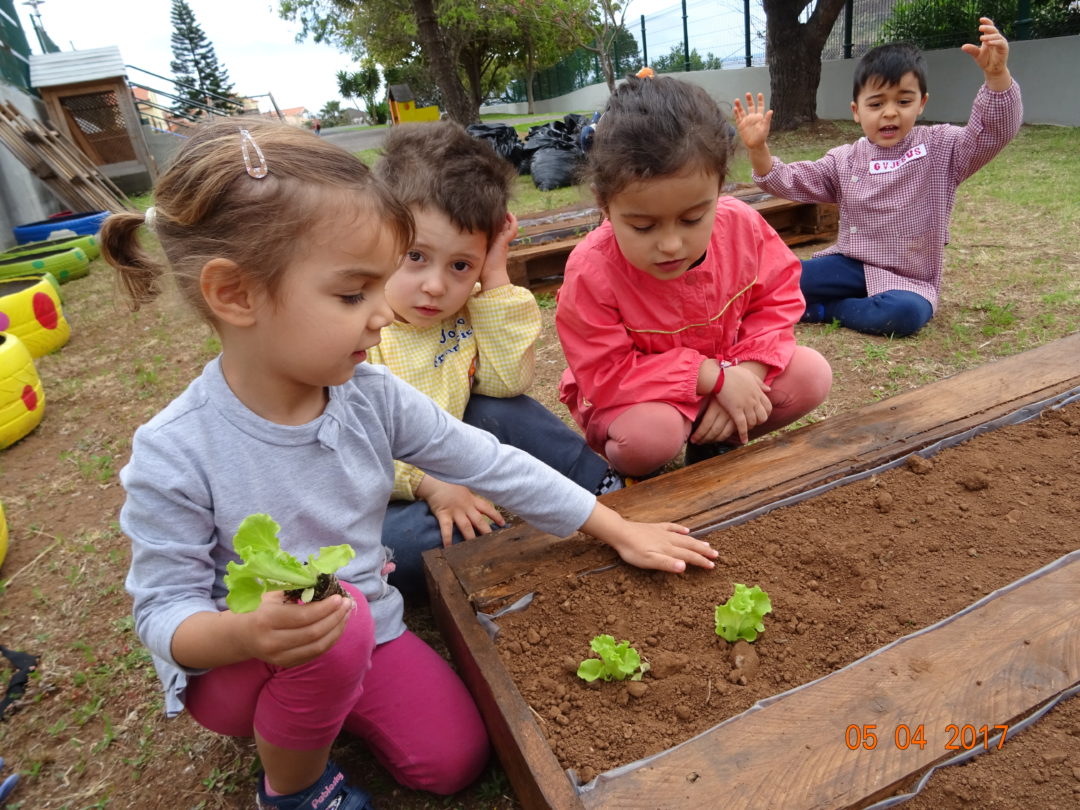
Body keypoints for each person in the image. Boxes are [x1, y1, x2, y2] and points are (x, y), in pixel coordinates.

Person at [100, 120, 718, 810]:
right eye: (351, 295)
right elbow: (164, 614)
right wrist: (246, 631)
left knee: (454, 762)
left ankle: (320, 708)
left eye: (377, 287)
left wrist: (616, 527)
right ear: (236, 294)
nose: (382, 316)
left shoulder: (370, 394)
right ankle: (292, 789)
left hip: (365, 629)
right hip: (241, 664)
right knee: (335, 613)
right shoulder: (174, 449)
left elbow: (491, 463)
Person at [370, 121, 624, 596]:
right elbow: (356, 448)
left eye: (460, 265)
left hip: (455, 459)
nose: (435, 286)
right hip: (381, 495)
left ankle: (600, 485)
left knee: (501, 409)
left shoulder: (463, 309)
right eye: (416, 256)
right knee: (398, 546)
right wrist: (430, 485)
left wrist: (494, 275)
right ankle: (481, 537)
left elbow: (507, 383)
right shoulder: (361, 333)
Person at [556, 75, 833, 479]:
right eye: (643, 226)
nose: (671, 245)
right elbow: (606, 372)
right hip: (645, 398)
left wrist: (747, 374)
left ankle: (716, 440)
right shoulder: (591, 268)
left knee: (810, 375)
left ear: (719, 188)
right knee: (649, 438)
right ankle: (654, 463)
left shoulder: (742, 227)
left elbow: (777, 302)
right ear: (605, 204)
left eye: (692, 219)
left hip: (733, 370)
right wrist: (712, 378)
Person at [733, 17, 1022, 337]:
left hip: (908, 280)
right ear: (856, 111)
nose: (890, 112)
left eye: (903, 101)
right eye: (876, 103)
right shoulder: (845, 160)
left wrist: (997, 76)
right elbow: (790, 179)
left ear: (921, 103)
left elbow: (990, 134)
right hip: (849, 266)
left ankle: (826, 310)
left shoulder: (941, 147)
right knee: (778, 278)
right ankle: (813, 301)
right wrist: (758, 149)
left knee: (903, 314)